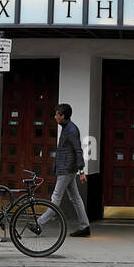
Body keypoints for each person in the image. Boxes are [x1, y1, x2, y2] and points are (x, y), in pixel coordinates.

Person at [38, 102, 91, 238]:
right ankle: (84, 226)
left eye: (56, 114)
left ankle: (39, 224)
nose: (55, 117)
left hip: (66, 169)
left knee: (56, 197)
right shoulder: (67, 128)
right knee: (76, 198)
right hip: (67, 168)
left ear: (63, 116)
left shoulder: (71, 130)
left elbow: (78, 150)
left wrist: (82, 171)